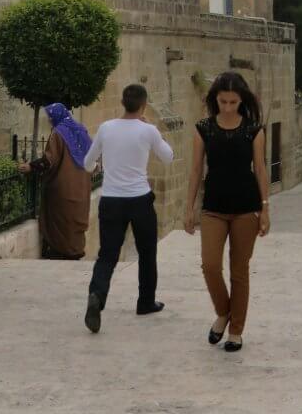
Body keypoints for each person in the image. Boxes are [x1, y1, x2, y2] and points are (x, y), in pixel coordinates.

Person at [184, 71, 269, 352]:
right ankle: (223, 311)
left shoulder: (254, 130)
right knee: (210, 265)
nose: (229, 107)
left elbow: (260, 170)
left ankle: (236, 330)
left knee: (239, 271)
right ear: (215, 100)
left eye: (233, 102)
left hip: (246, 208)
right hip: (213, 208)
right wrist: (189, 207)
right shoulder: (203, 128)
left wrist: (265, 209)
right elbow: (196, 169)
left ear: (241, 101)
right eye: (223, 102)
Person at [82, 84, 174, 334]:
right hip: (139, 199)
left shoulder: (105, 128)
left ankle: (97, 296)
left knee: (107, 254)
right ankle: (145, 301)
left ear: (123, 103)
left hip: (111, 199)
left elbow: (88, 163)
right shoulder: (149, 131)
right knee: (147, 253)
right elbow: (168, 157)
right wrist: (151, 130)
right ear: (143, 105)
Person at [18, 102, 92, 260]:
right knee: (75, 220)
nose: (50, 121)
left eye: (50, 118)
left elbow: (49, 160)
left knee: (61, 220)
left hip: (63, 188)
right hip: (82, 187)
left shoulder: (58, 133)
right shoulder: (82, 130)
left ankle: (60, 252)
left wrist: (31, 167)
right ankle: (76, 251)